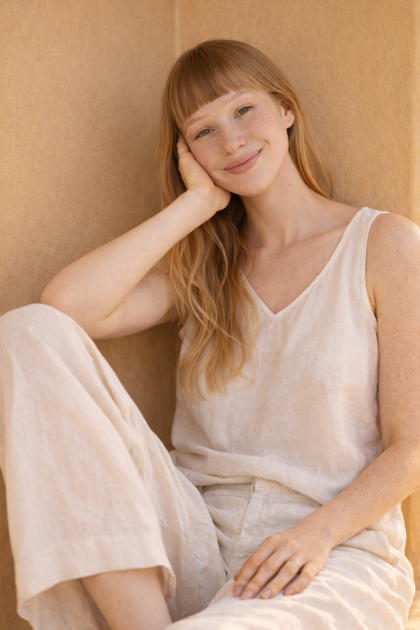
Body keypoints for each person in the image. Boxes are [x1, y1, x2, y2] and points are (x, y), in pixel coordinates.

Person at [0, 39, 418, 630]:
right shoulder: (203, 265)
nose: (231, 142)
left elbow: (411, 447)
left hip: (330, 553)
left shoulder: (387, 245)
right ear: (186, 153)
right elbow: (64, 308)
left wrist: (315, 535)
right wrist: (197, 204)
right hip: (194, 538)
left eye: (244, 110)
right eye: (203, 131)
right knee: (25, 331)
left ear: (286, 109)